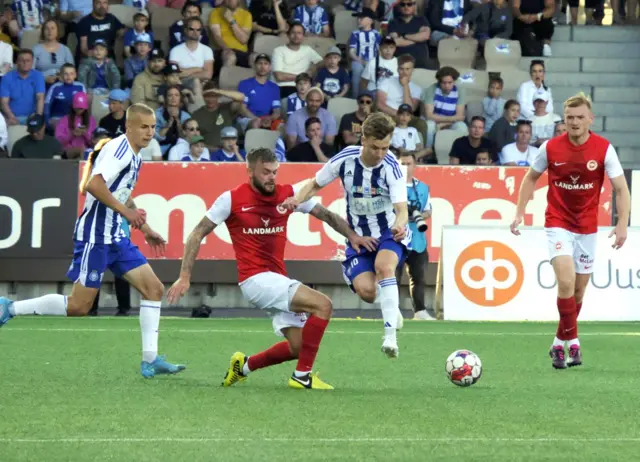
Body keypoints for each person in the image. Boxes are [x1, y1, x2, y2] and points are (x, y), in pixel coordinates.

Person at [0, 104, 186, 379]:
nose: (150, 133)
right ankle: (10, 307)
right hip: (95, 236)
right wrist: (128, 214)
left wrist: (143, 227)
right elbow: (94, 185)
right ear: (129, 127)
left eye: (153, 127)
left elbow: (119, 192)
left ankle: (150, 360)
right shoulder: (119, 150)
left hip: (116, 236)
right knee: (79, 306)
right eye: (144, 127)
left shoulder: (135, 155)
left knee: (154, 289)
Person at [167, 148, 377, 389]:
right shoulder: (231, 199)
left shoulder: (288, 195)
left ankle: (243, 366)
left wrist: (352, 236)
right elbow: (196, 234)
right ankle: (302, 377)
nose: (271, 177)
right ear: (249, 171)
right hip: (254, 280)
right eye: (265, 172)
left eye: (275, 172)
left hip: (276, 279)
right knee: (323, 305)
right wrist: (184, 277)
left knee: (299, 346)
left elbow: (327, 215)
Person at [510, 92, 630, 370]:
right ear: (563, 119)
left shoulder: (603, 149)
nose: (574, 122)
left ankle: (557, 345)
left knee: (577, 293)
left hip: (587, 227)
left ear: (590, 119)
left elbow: (621, 188)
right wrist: (519, 210)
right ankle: (573, 342)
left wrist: (622, 222)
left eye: (579, 117)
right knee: (565, 282)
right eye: (569, 118)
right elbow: (531, 178)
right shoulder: (551, 148)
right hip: (558, 223)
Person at [284, 112, 409, 358]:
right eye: (375, 147)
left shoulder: (392, 166)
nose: (381, 153)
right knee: (367, 291)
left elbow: (401, 209)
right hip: (359, 235)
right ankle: (388, 302)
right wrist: (295, 200)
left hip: (387, 232)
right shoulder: (345, 159)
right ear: (363, 139)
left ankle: (390, 338)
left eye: (385, 147)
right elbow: (315, 184)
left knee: (385, 267)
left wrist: (400, 225)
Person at [395, 151, 433, 320]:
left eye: (408, 163)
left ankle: (420, 311)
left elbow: (428, 210)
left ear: (415, 166)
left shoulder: (423, 187)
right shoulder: (391, 186)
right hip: (396, 237)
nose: (405, 167)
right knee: (393, 277)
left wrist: (416, 215)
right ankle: (393, 311)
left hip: (417, 238)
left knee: (418, 276)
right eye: (402, 163)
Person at [376, 55, 427, 148]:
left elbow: (411, 109)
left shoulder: (417, 88)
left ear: (412, 70)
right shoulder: (386, 81)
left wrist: (405, 86)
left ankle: (420, 154)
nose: (404, 72)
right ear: (397, 69)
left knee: (421, 124)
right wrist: (398, 115)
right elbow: (380, 104)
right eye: (401, 69)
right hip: (388, 115)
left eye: (408, 69)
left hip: (407, 117)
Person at [422, 66, 468, 150]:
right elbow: (429, 116)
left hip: (449, 123)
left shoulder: (460, 91)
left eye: (449, 82)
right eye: (444, 83)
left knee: (462, 126)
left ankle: (459, 153)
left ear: (454, 81)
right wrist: (451, 119)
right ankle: (428, 151)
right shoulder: (431, 89)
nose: (447, 85)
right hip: (435, 122)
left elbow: (460, 117)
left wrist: (443, 124)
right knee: (429, 125)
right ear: (439, 82)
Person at [272, 22, 322, 98]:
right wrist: (302, 77)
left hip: (305, 88)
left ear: (303, 36)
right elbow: (279, 76)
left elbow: (321, 62)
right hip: (284, 87)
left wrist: (313, 68)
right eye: (293, 32)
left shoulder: (308, 50)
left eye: (299, 33)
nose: (296, 36)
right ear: (288, 35)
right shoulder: (278, 51)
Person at [192, 81, 244, 152]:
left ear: (218, 96)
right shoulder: (196, 114)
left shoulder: (227, 108)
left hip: (228, 151)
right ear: (203, 96)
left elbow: (241, 97)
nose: (210, 99)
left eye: (213, 96)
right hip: (206, 152)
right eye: (207, 96)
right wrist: (209, 149)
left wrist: (219, 91)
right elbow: (194, 139)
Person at [237, 53, 282, 132]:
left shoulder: (274, 87)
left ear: (270, 67)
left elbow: (277, 110)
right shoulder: (245, 84)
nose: (263, 67)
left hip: (267, 119)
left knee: (282, 127)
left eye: (266, 64)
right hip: (249, 119)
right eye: (260, 63)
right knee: (256, 123)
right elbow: (242, 108)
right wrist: (257, 119)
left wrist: (270, 119)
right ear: (255, 66)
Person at [0, 49, 45, 126]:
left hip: (32, 116)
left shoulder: (38, 76)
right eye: (22, 60)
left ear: (32, 62)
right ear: (17, 62)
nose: (25, 63)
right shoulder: (7, 77)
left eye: (28, 60)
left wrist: (37, 118)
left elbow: (40, 98)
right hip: (11, 117)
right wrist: (12, 117)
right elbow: (4, 102)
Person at [209, 0, 253, 68]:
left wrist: (231, 20)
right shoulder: (215, 12)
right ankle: (226, 78)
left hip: (242, 52)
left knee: (255, 58)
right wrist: (227, 49)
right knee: (230, 57)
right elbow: (217, 36)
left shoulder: (247, 15)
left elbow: (244, 40)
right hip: (222, 51)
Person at [169, 17, 215, 84]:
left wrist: (186, 74)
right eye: (191, 29)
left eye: (198, 30)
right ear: (185, 30)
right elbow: (174, 74)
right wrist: (197, 69)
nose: (195, 32)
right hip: (181, 84)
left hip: (202, 84)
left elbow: (208, 75)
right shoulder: (175, 50)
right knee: (196, 81)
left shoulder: (207, 50)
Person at [388, 0, 431, 69]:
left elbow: (425, 36)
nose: (406, 7)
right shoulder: (393, 22)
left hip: (420, 63)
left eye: (409, 4)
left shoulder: (422, 20)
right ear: (399, 7)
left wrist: (404, 36)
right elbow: (396, 42)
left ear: (414, 6)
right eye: (403, 4)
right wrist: (417, 39)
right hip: (400, 64)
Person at [348, 9, 380, 99]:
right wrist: (359, 60)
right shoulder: (355, 34)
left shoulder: (376, 34)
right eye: (358, 18)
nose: (359, 20)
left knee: (374, 73)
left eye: (361, 18)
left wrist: (373, 62)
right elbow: (351, 51)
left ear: (370, 20)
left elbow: (379, 50)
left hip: (372, 61)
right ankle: (355, 98)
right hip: (358, 60)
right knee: (356, 69)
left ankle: (370, 99)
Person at [33, 19, 75, 87]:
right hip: (41, 84)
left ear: (58, 31)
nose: (50, 31)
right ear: (43, 32)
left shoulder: (65, 50)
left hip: (62, 83)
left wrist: (61, 77)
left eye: (52, 28)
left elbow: (71, 71)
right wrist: (43, 79)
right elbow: (30, 71)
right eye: (47, 28)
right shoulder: (36, 49)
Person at [55, 91, 97, 159]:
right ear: (73, 107)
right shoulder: (64, 120)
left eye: (81, 108)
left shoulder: (91, 120)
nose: (79, 110)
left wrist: (85, 133)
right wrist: (72, 134)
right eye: (77, 108)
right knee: (81, 150)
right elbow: (58, 141)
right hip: (68, 151)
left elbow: (94, 141)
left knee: (85, 151)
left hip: (86, 150)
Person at [44, 64, 86, 129]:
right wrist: (47, 122)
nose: (69, 76)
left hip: (75, 118)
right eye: (66, 74)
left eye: (71, 73)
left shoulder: (80, 86)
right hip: (57, 118)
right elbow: (47, 105)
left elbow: (84, 107)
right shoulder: (55, 87)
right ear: (61, 75)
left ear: (75, 75)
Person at [155, 84, 191, 156]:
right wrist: (168, 125)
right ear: (165, 98)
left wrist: (178, 122)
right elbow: (156, 138)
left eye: (176, 95)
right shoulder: (157, 114)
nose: (173, 98)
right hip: (160, 151)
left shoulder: (186, 116)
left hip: (181, 152)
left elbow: (187, 138)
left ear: (180, 99)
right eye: (170, 95)